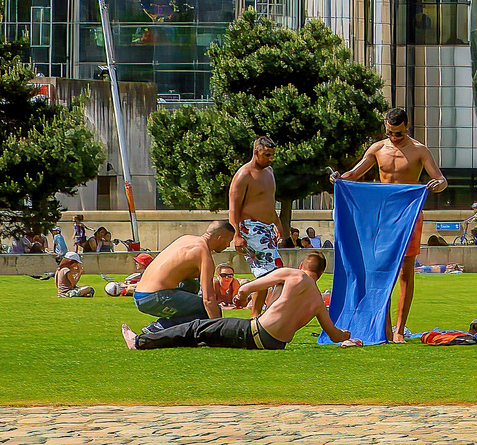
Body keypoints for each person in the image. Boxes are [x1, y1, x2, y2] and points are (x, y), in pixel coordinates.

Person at [333, 107, 449, 342]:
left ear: (407, 126)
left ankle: (399, 329)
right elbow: (354, 174)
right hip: (382, 216)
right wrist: (338, 178)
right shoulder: (377, 148)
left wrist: (438, 185)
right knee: (380, 271)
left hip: (408, 215)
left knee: (406, 271)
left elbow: (441, 179)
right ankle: (382, 328)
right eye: (390, 132)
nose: (394, 137)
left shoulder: (419, 150)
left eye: (398, 133)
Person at [123, 252, 353, 351]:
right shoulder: (317, 303)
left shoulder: (294, 275)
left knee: (197, 327)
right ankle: (157, 341)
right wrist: (349, 337)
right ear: (320, 274)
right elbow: (334, 335)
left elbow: (251, 286)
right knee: (207, 337)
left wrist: (241, 295)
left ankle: (141, 342)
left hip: (256, 331)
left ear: (303, 265)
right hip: (275, 344)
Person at [133, 220, 236, 330]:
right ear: (220, 238)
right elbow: (208, 300)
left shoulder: (185, 239)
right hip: (156, 297)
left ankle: (166, 325)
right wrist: (219, 328)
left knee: (193, 284)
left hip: (139, 295)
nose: (228, 245)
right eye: (228, 241)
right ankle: (160, 328)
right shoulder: (204, 255)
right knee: (206, 311)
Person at [228, 136, 283, 315]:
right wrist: (236, 235)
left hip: (267, 228)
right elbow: (233, 209)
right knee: (272, 274)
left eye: (272, 155)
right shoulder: (244, 175)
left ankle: (257, 314)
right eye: (267, 155)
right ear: (256, 152)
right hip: (251, 228)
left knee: (266, 274)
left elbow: (269, 201)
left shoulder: (270, 172)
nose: (270, 158)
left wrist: (278, 224)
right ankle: (255, 311)